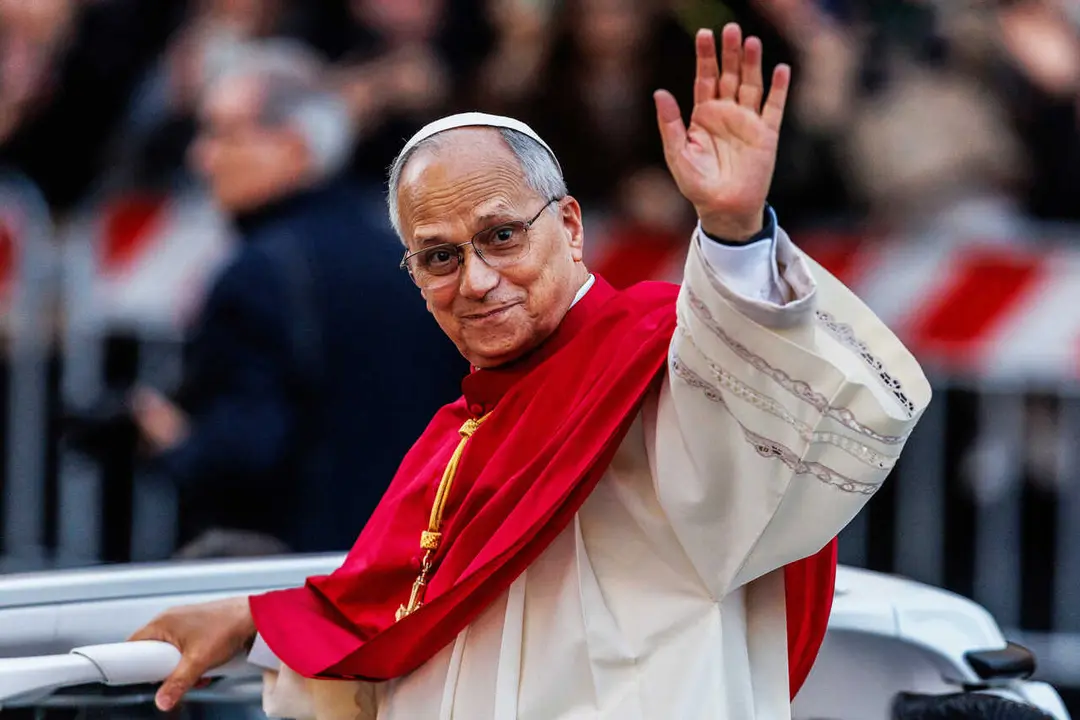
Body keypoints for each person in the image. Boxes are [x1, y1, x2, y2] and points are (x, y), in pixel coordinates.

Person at [131, 24, 931, 718]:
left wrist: (732, 233)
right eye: (439, 257)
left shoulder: (661, 364)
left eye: (502, 236)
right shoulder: (457, 439)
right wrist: (252, 617)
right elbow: (392, 607)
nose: (475, 280)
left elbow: (757, 413)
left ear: (571, 227)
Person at [130, 40, 466, 554]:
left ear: (294, 148)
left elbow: (248, 451)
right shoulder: (405, 252)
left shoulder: (259, 272)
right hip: (414, 562)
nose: (201, 157)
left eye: (222, 134)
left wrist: (173, 442)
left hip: (293, 579)